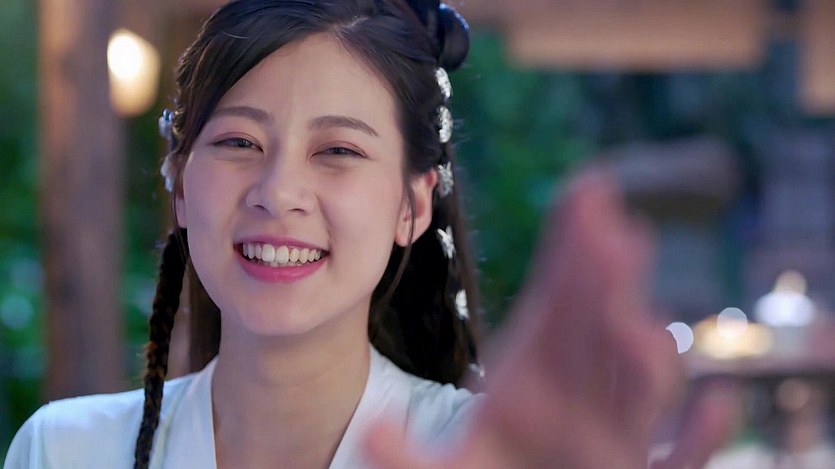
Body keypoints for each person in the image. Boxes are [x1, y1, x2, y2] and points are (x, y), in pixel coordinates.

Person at [4, 1, 737, 468]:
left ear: (412, 205)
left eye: (338, 150)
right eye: (238, 142)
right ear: (179, 181)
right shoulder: (66, 450)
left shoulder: (485, 455)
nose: (278, 192)